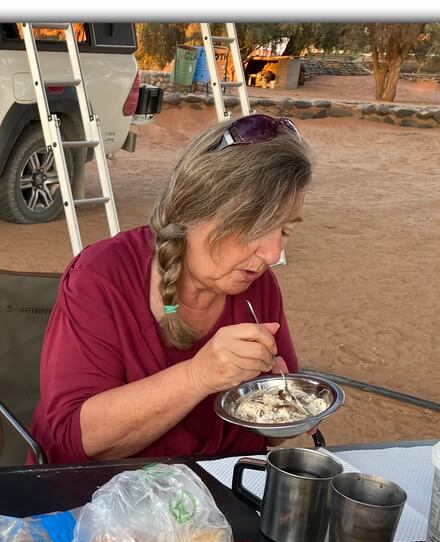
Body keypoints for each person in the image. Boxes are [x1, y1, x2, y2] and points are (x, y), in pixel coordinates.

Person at [30, 113, 312, 463]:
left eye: (284, 231)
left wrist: (278, 408)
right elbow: (73, 439)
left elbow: (268, 431)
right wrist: (198, 376)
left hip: (217, 496)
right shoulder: (101, 277)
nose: (272, 254)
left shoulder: (259, 287)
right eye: (254, 228)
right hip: (103, 497)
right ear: (193, 209)